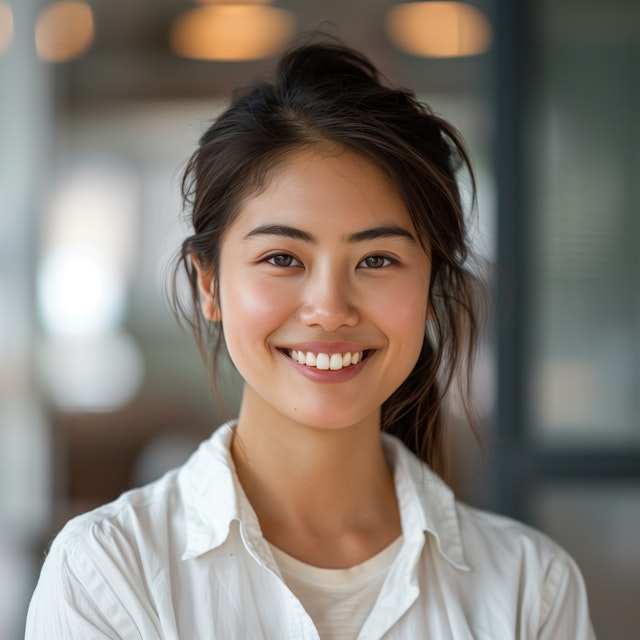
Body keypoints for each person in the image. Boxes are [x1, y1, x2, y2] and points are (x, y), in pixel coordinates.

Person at [25, 40, 596, 639]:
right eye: (281, 257)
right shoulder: (109, 573)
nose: (329, 309)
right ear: (210, 285)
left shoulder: (531, 587)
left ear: (430, 286)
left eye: (377, 259)